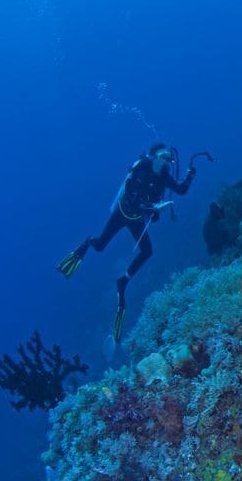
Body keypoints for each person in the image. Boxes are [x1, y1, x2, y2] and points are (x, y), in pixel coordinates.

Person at [56, 143, 196, 342]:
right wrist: (154, 206)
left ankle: (124, 279)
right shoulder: (141, 168)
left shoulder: (164, 175)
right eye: (163, 157)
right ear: (153, 156)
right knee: (101, 245)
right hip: (121, 214)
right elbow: (132, 196)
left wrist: (190, 174)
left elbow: (180, 190)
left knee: (147, 251)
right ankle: (87, 243)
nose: (166, 161)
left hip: (136, 219)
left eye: (168, 159)